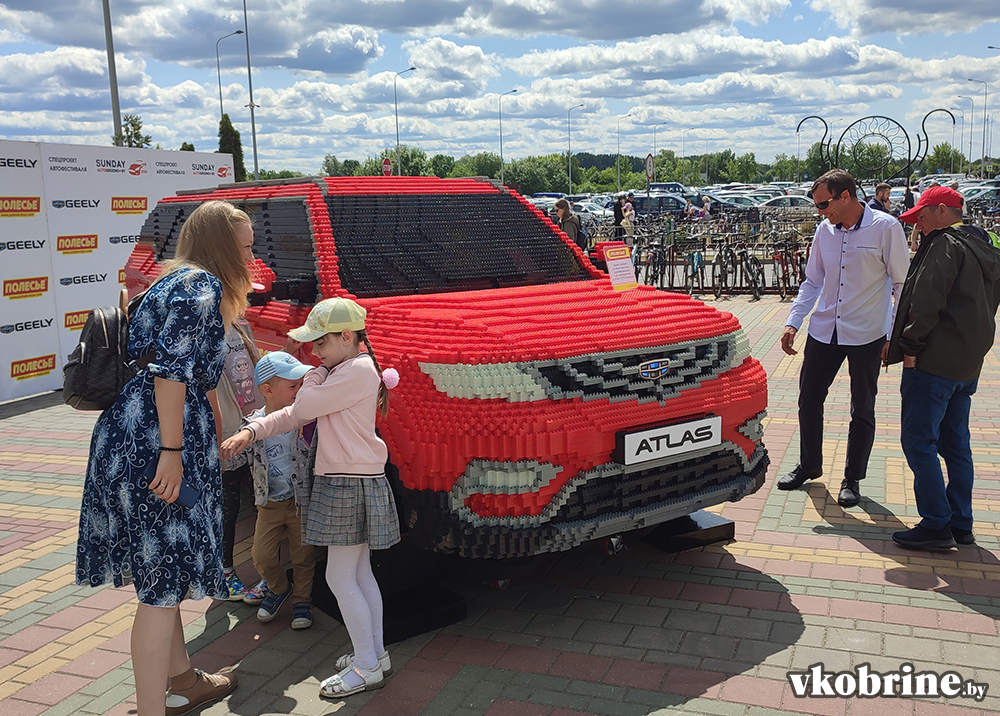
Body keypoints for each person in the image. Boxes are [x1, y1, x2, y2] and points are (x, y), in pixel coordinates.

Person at [76, 200, 251, 716]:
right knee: (159, 593)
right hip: (157, 445)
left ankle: (183, 681)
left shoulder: (172, 282)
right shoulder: (202, 288)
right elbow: (170, 374)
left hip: (132, 437)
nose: (251, 253)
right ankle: (154, 707)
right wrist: (172, 454)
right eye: (243, 244)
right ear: (221, 245)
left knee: (164, 576)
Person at [221, 297, 400, 699]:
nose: (314, 352)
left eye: (320, 344)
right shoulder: (347, 369)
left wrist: (315, 375)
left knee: (340, 577)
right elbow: (295, 414)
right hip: (351, 481)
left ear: (347, 337)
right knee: (358, 575)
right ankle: (373, 654)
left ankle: (367, 666)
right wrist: (252, 432)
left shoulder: (352, 370)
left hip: (348, 482)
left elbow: (305, 406)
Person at [777, 169, 909, 507]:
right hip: (825, 330)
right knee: (809, 399)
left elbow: (901, 285)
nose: (820, 212)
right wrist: (794, 321)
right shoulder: (825, 231)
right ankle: (809, 465)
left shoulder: (886, 228)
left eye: (823, 204)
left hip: (867, 333)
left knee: (861, 408)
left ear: (846, 196)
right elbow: (812, 281)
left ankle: (852, 478)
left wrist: (892, 335)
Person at [886, 186, 1000, 549]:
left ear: (941, 210)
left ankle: (936, 523)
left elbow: (926, 299)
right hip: (967, 361)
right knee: (956, 444)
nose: (916, 221)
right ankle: (960, 523)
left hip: (933, 360)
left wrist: (910, 346)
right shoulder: (984, 244)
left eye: (921, 214)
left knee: (918, 441)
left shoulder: (945, 244)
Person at [242, 351, 316, 627]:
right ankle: (278, 588)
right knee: (262, 556)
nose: (299, 391)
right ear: (268, 390)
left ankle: (302, 602)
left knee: (304, 557)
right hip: (269, 503)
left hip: (299, 502)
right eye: (293, 386)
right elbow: (238, 457)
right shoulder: (251, 425)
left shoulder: (304, 419)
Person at [216, 289, 265, 603]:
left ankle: (267, 576)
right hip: (227, 437)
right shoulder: (202, 334)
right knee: (228, 508)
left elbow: (258, 370)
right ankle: (224, 572)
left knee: (263, 502)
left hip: (254, 428)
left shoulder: (240, 326)